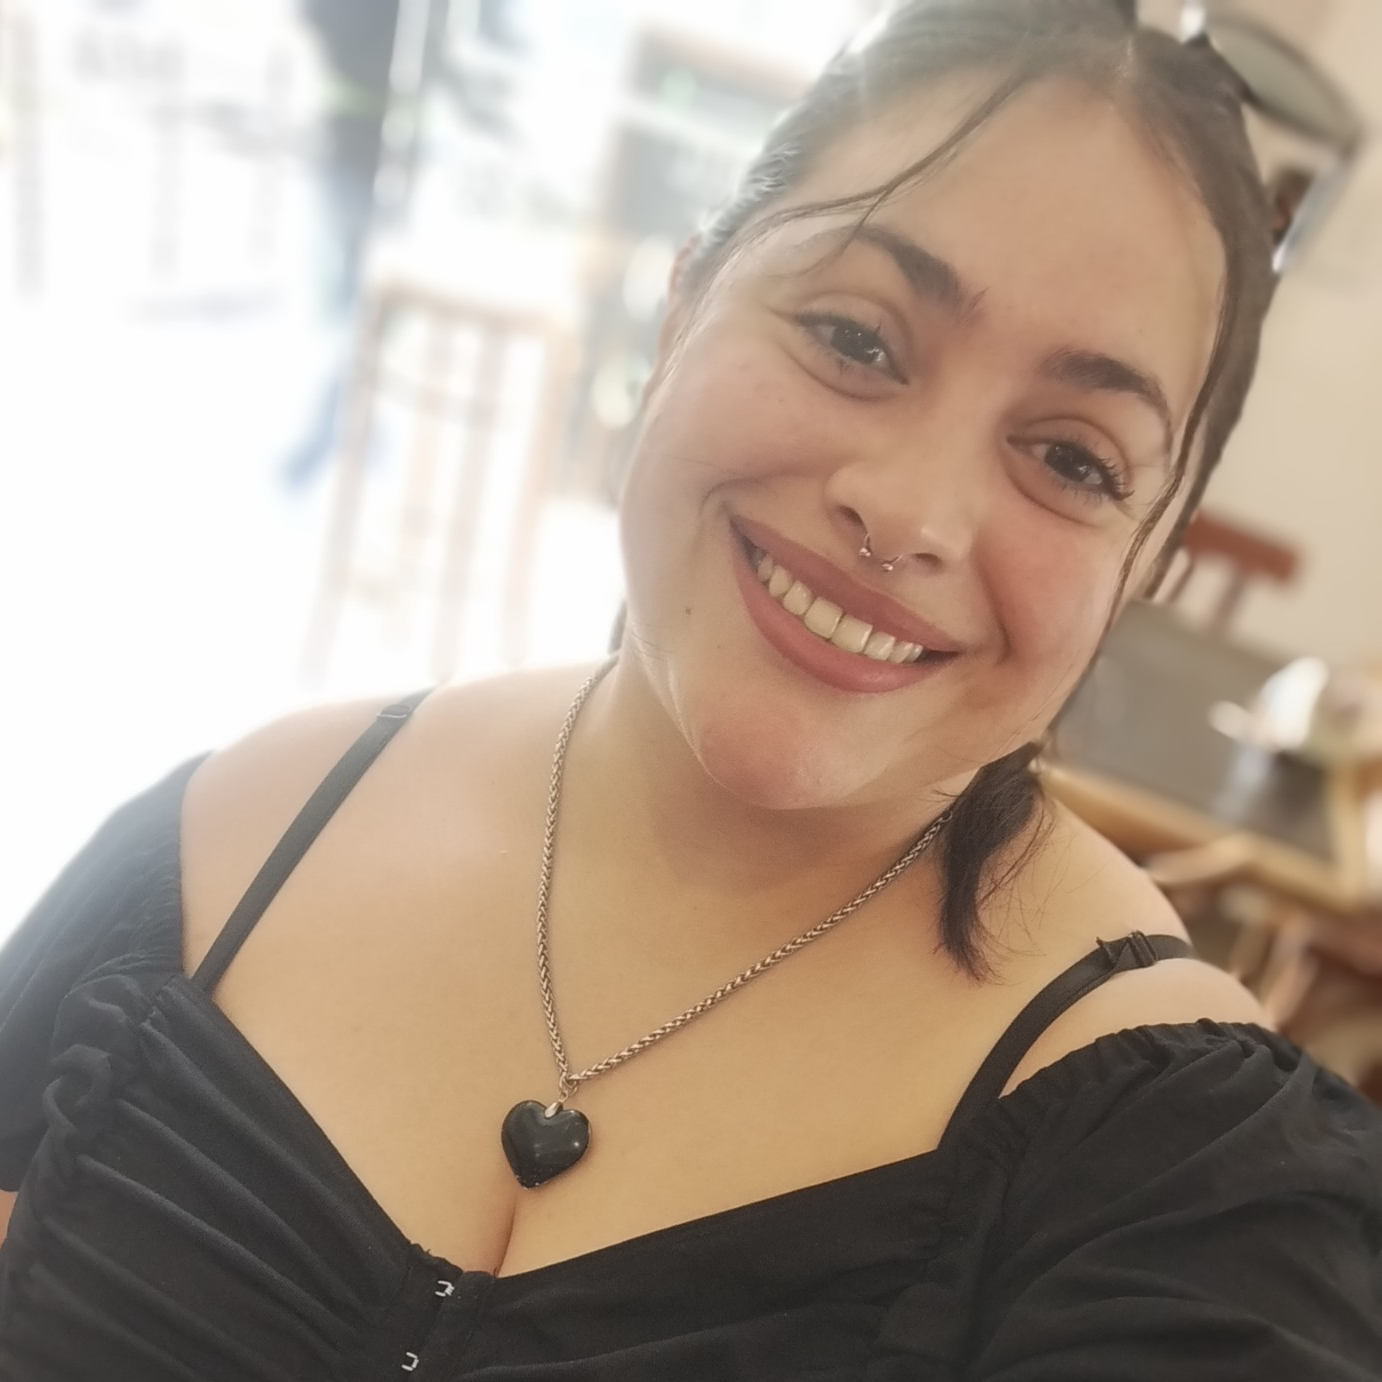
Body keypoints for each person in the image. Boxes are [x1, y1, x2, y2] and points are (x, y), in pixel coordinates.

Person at [2, 1, 1380, 1377]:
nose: (909, 511)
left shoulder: (1192, 1185)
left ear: (1145, 566)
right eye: (854, 337)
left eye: (1073, 459)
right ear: (682, 306)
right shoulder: (222, 841)